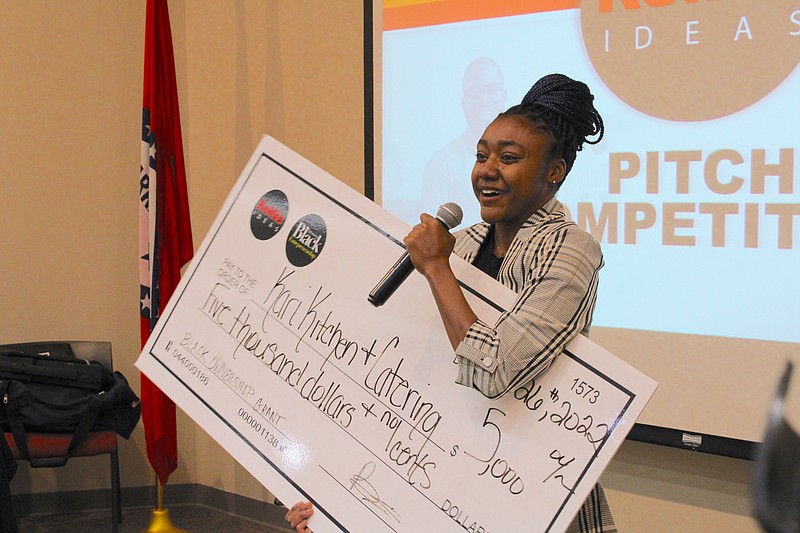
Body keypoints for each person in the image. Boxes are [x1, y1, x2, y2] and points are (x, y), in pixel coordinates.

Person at [286, 73, 615, 532]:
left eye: (510, 158)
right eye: (481, 155)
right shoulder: (462, 244)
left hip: (527, 491)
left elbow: (493, 369)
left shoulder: (571, 249)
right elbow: (395, 379)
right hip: (444, 484)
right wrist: (334, 493)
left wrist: (437, 269)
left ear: (554, 172)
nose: (487, 169)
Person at [420, 57, 507, 228]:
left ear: (503, 96)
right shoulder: (441, 164)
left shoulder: (524, 161)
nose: (484, 99)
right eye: (475, 92)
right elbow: (431, 237)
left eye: (491, 90)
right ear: (464, 103)